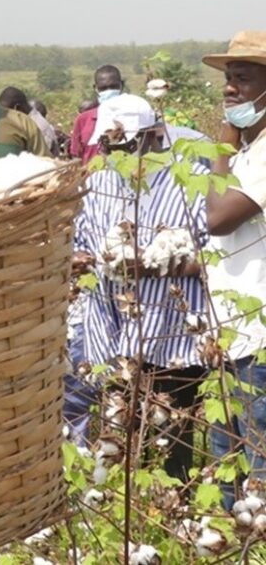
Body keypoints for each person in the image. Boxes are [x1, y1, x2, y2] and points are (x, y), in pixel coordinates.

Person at [73, 95, 208, 480]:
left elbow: (212, 258)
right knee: (119, 430)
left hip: (173, 333)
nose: (117, 150)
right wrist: (82, 260)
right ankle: (124, 505)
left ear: (152, 136)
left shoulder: (188, 182)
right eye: (110, 143)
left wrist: (155, 265)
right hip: (114, 330)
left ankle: (172, 503)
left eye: (126, 142)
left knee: (173, 433)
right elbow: (81, 242)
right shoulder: (98, 182)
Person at [202, 31, 266, 504]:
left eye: (242, 79)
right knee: (228, 466)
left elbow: (218, 219)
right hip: (232, 339)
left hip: (260, 345)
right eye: (228, 79)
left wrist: (223, 138)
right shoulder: (250, 150)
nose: (230, 89)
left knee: (257, 475)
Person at [70, 65, 125, 164]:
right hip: (90, 177)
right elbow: (76, 156)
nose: (108, 91)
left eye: (113, 86)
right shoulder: (83, 120)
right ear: (96, 88)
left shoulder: (133, 116)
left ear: (121, 85)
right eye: (103, 88)